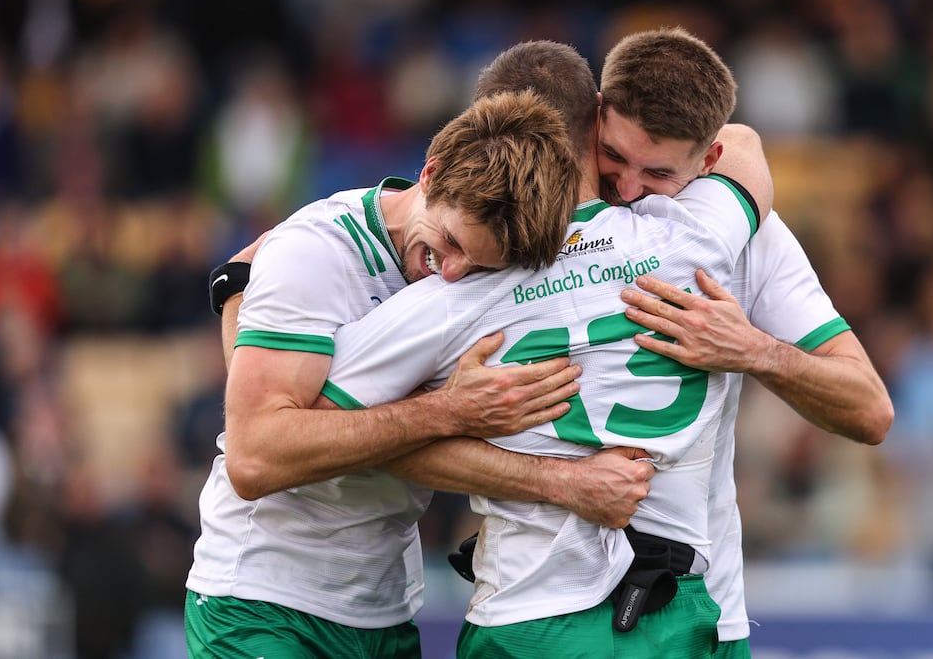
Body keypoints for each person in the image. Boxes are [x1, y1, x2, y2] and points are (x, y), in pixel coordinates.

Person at [318, 37, 773, 657]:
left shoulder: (462, 289)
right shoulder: (690, 236)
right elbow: (743, 149)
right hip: (678, 612)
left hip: (532, 615)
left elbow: (323, 425)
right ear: (595, 127)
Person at [184, 90, 658, 659]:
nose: (452, 273)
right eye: (451, 243)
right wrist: (450, 412)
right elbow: (254, 456)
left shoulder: (480, 265)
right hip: (264, 604)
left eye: (480, 267)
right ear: (430, 173)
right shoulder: (317, 255)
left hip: (384, 607)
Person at [600, 27, 893, 659]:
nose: (624, 187)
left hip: (701, 608)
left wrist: (752, 349)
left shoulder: (749, 235)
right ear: (596, 112)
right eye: (613, 156)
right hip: (539, 608)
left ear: (708, 162)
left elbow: (870, 408)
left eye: (656, 173)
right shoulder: (537, 212)